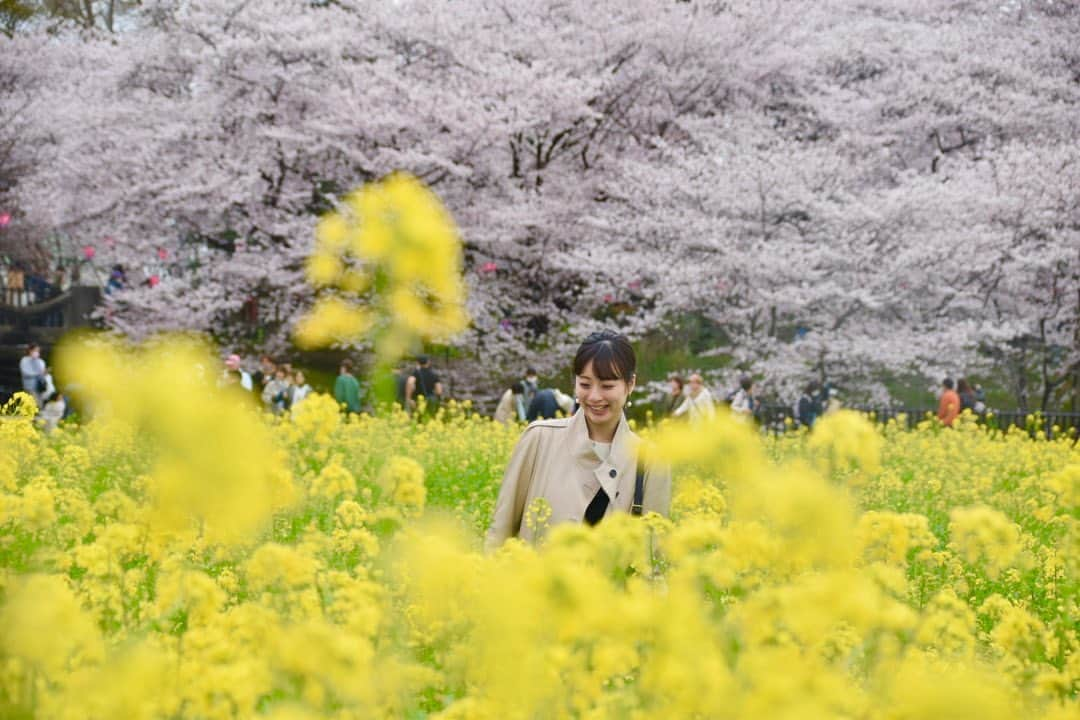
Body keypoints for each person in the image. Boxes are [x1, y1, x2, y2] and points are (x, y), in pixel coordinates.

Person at [487, 330, 672, 548]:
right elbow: (500, 533)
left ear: (630, 384)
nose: (594, 396)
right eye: (585, 384)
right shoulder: (538, 439)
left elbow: (652, 556)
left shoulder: (650, 460)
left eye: (607, 386)